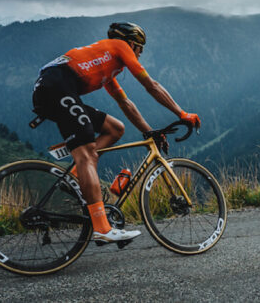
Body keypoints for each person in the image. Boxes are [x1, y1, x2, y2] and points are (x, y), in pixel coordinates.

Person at [32, 22, 201, 243]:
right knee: (87, 155)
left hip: (54, 89)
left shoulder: (109, 65)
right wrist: (182, 113)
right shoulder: (120, 46)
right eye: (141, 49)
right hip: (57, 87)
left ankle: (75, 175)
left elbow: (126, 104)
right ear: (133, 44)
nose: (140, 54)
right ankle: (102, 227)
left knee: (115, 128)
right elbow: (151, 85)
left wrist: (149, 132)